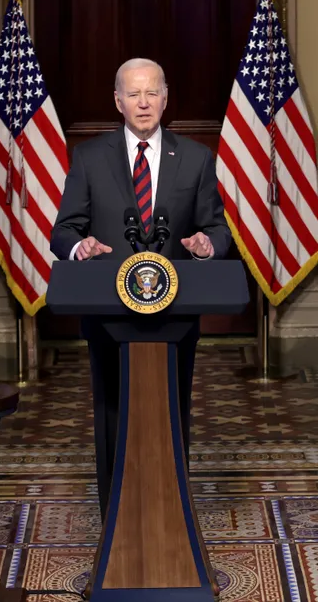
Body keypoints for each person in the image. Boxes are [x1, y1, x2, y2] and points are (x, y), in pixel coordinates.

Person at [50, 58, 232, 517]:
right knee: (112, 411)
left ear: (166, 98)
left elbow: (219, 229)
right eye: (134, 94)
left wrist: (207, 245)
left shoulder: (195, 158)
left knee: (173, 408)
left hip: (174, 316)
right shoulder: (90, 158)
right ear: (118, 101)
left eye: (152, 92)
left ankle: (172, 507)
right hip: (109, 315)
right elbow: (62, 232)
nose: (144, 102)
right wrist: (81, 247)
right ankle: (115, 510)